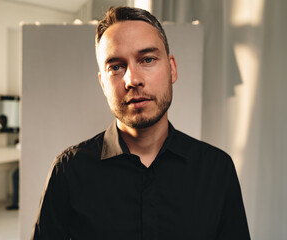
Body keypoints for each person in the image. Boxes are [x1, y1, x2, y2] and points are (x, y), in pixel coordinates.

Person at [32, 6, 250, 240]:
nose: (132, 80)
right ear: (103, 83)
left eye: (147, 59)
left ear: (172, 69)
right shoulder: (68, 171)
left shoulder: (217, 169)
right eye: (116, 67)